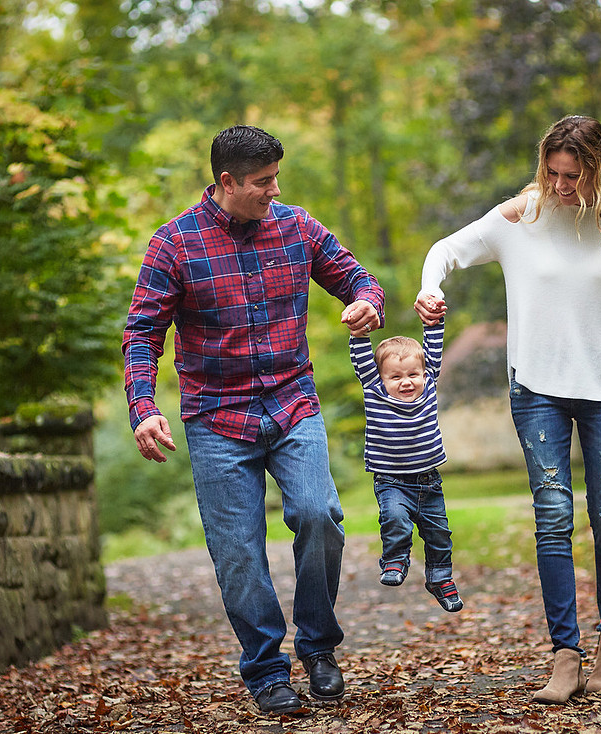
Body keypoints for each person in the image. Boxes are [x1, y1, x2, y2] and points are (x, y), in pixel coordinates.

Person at [414, 115, 601, 704]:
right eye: (554, 173)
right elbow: (445, 250)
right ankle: (566, 652)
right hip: (536, 389)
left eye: (575, 175)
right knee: (554, 516)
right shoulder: (520, 217)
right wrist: (431, 287)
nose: (563, 186)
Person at [122, 124, 385, 715]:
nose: (274, 190)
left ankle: (318, 647)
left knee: (320, 516)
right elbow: (142, 334)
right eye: (263, 182)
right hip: (216, 418)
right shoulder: (174, 244)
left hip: (292, 402)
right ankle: (267, 670)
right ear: (227, 182)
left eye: (275, 179)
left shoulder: (297, 226)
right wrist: (143, 408)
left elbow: (356, 278)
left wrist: (366, 301)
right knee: (238, 551)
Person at [348, 300, 463, 613]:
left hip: (429, 481)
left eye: (413, 373)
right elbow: (361, 358)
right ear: (382, 380)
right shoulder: (374, 391)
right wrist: (359, 333)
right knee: (396, 520)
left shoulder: (429, 386)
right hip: (392, 481)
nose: (407, 381)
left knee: (439, 534)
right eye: (396, 377)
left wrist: (432, 323)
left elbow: (433, 348)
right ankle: (395, 560)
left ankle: (440, 577)